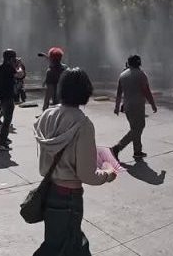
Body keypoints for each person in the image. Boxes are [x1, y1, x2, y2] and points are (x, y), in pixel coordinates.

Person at [33, 68, 117, 255]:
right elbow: (87, 175)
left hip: (49, 192)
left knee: (59, 243)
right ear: (85, 91)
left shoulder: (47, 115)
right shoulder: (83, 124)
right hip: (69, 197)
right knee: (69, 247)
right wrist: (108, 172)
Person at [111, 55, 157, 161]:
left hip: (127, 107)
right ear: (139, 63)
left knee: (135, 128)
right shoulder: (141, 74)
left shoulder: (122, 75)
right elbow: (146, 91)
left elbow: (119, 92)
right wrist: (153, 104)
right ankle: (117, 148)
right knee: (138, 128)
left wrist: (117, 107)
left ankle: (137, 151)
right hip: (137, 106)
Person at [0, 49, 22, 152]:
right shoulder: (9, 68)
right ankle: (1, 143)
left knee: (6, 121)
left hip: (2, 98)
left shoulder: (1, 67)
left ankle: (4, 140)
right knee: (7, 122)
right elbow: (20, 74)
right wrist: (18, 65)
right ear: (10, 59)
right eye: (14, 58)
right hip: (8, 98)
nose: (15, 60)